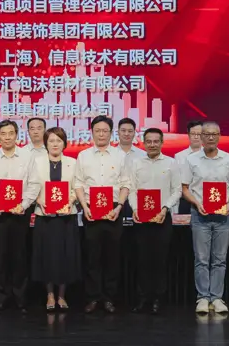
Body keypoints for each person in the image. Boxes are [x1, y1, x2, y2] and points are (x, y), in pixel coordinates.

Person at [0, 120, 40, 313]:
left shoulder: (27, 156)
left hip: (19, 212)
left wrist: (24, 205)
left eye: (11, 133)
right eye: (3, 134)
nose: (7, 137)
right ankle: (2, 299)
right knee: (0, 257)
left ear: (17, 135)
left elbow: (34, 184)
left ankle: (21, 299)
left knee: (19, 256)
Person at [181, 121, 229, 314]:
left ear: (219, 136)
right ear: (200, 137)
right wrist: (196, 203)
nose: (210, 137)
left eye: (214, 134)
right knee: (201, 258)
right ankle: (202, 297)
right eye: (206, 134)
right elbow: (184, 188)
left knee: (219, 259)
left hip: (223, 217)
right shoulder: (191, 160)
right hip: (200, 215)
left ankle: (216, 297)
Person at [74, 115, 131, 314]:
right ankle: (93, 297)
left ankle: (109, 298)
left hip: (113, 210)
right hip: (91, 210)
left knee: (112, 257)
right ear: (91, 132)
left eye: (105, 131)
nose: (101, 134)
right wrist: (84, 207)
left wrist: (119, 207)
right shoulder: (83, 156)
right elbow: (78, 184)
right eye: (97, 130)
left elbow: (126, 184)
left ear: (110, 133)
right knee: (92, 257)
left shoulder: (120, 156)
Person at [128, 128, 181, 314]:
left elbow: (177, 190)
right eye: (148, 141)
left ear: (162, 143)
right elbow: (132, 189)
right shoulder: (136, 163)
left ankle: (159, 299)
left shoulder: (171, 163)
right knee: (142, 260)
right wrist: (135, 208)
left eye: (156, 141)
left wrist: (165, 208)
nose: (152, 145)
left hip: (162, 218)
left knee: (160, 260)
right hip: (141, 219)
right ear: (143, 143)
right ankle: (143, 298)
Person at [32, 127, 81, 312]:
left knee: (65, 256)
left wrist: (71, 200)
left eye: (58, 141)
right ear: (46, 143)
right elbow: (30, 186)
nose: (55, 144)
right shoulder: (36, 163)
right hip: (44, 216)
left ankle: (62, 295)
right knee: (47, 256)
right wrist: (39, 200)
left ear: (64, 143)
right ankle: (50, 295)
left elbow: (78, 186)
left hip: (66, 216)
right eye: (51, 140)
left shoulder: (73, 163)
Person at [174, 121, 203, 214]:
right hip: (185, 200)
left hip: (205, 199)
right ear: (188, 135)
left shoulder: (209, 155)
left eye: (199, 134)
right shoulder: (179, 156)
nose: (196, 137)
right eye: (193, 134)